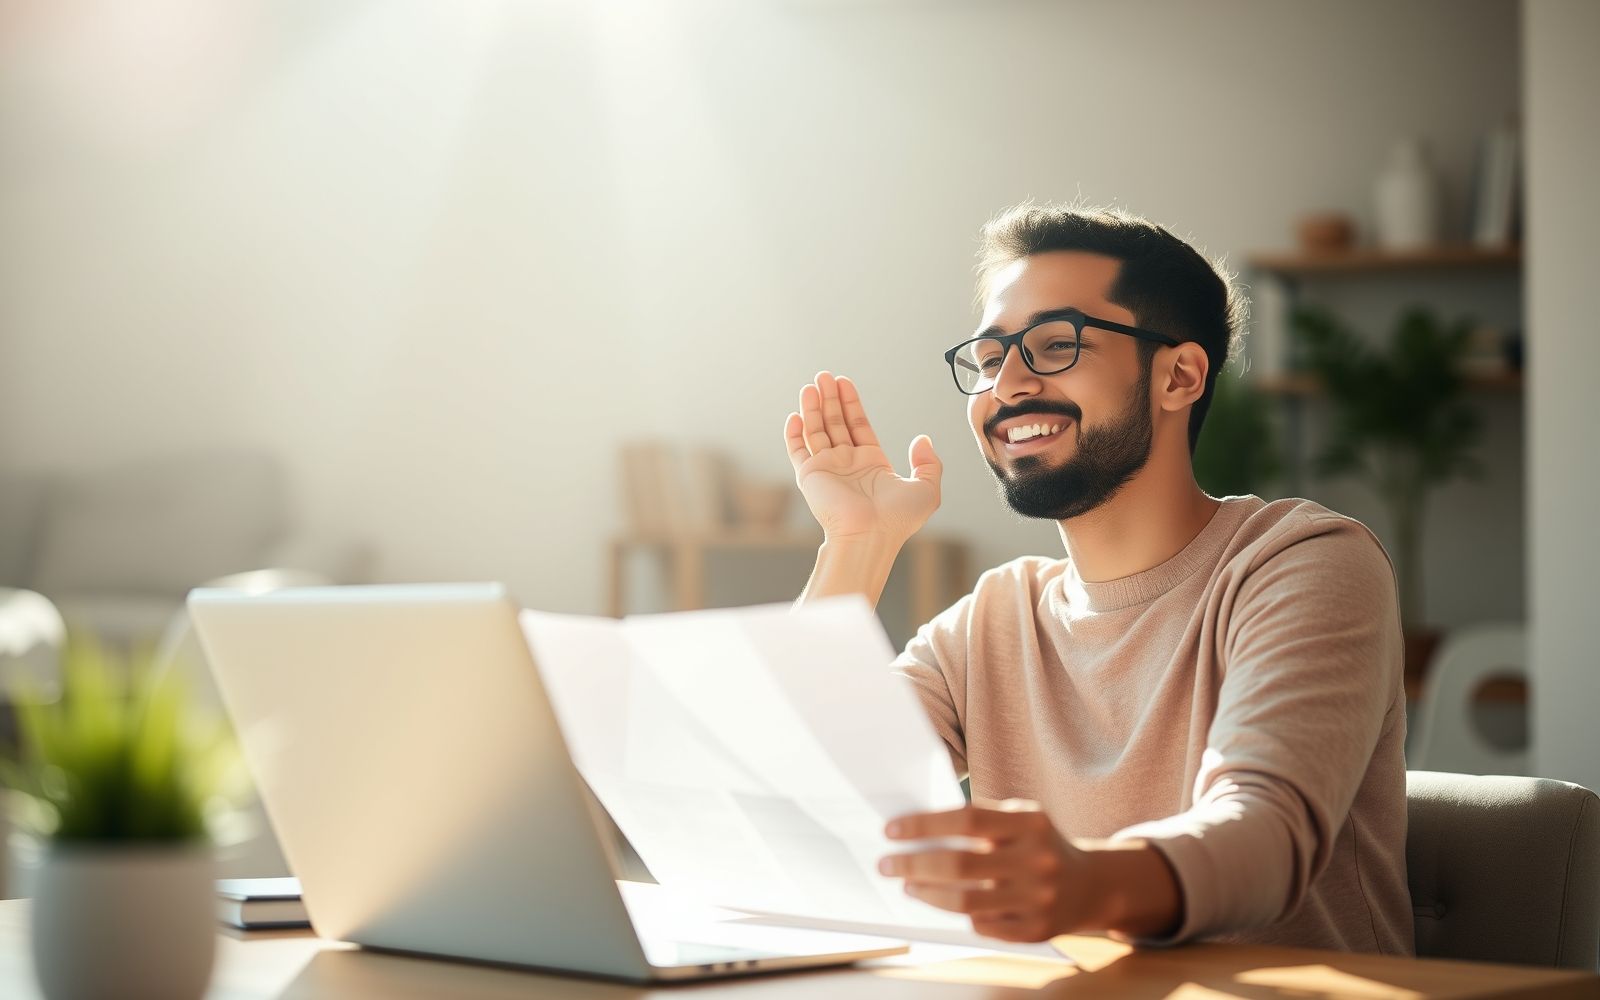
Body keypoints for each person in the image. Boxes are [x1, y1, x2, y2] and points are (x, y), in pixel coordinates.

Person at [783, 203, 1413, 953]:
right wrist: (858, 546)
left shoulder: (1302, 562)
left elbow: (1265, 836)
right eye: (987, 360)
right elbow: (800, 792)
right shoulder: (994, 617)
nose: (1006, 384)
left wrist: (1085, 883)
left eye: (1055, 345)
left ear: (1179, 375)